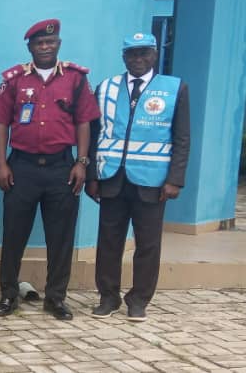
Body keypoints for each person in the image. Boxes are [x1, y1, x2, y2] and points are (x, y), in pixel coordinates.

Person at [0, 19, 100, 321]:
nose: (45, 47)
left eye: (50, 42)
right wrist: (1, 164)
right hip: (22, 167)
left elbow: (84, 122)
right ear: (30, 47)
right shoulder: (14, 80)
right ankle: (8, 293)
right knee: (13, 235)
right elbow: (1, 123)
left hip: (61, 169)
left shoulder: (76, 79)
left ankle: (56, 298)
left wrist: (82, 162)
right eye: (39, 43)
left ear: (59, 45)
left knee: (61, 237)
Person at [86, 33, 190, 322]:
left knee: (148, 244)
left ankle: (139, 300)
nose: (138, 59)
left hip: (153, 182)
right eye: (132, 54)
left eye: (144, 53)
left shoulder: (174, 88)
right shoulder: (106, 88)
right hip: (112, 178)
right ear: (124, 57)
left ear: (155, 55)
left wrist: (175, 179)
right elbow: (96, 135)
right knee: (108, 241)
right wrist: (92, 176)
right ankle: (108, 297)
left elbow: (182, 138)